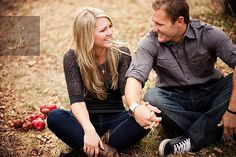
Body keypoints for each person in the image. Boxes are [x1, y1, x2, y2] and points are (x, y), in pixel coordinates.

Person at [125, 0, 236, 156]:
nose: (154, 28)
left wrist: (232, 110)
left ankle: (190, 139)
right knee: (152, 97)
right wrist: (135, 108)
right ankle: (216, 127)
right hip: (175, 102)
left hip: (211, 95)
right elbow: (134, 78)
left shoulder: (209, 34)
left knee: (231, 84)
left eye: (160, 24)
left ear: (179, 21)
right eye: (153, 22)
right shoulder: (150, 42)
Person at [47, 7, 150, 157]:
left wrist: (138, 109)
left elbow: (125, 93)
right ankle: (109, 152)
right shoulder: (72, 57)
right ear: (87, 35)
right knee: (54, 117)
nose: (110, 33)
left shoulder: (122, 53)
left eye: (110, 27)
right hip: (85, 120)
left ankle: (83, 153)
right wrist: (89, 131)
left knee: (145, 120)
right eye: (103, 30)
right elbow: (77, 101)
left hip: (117, 120)